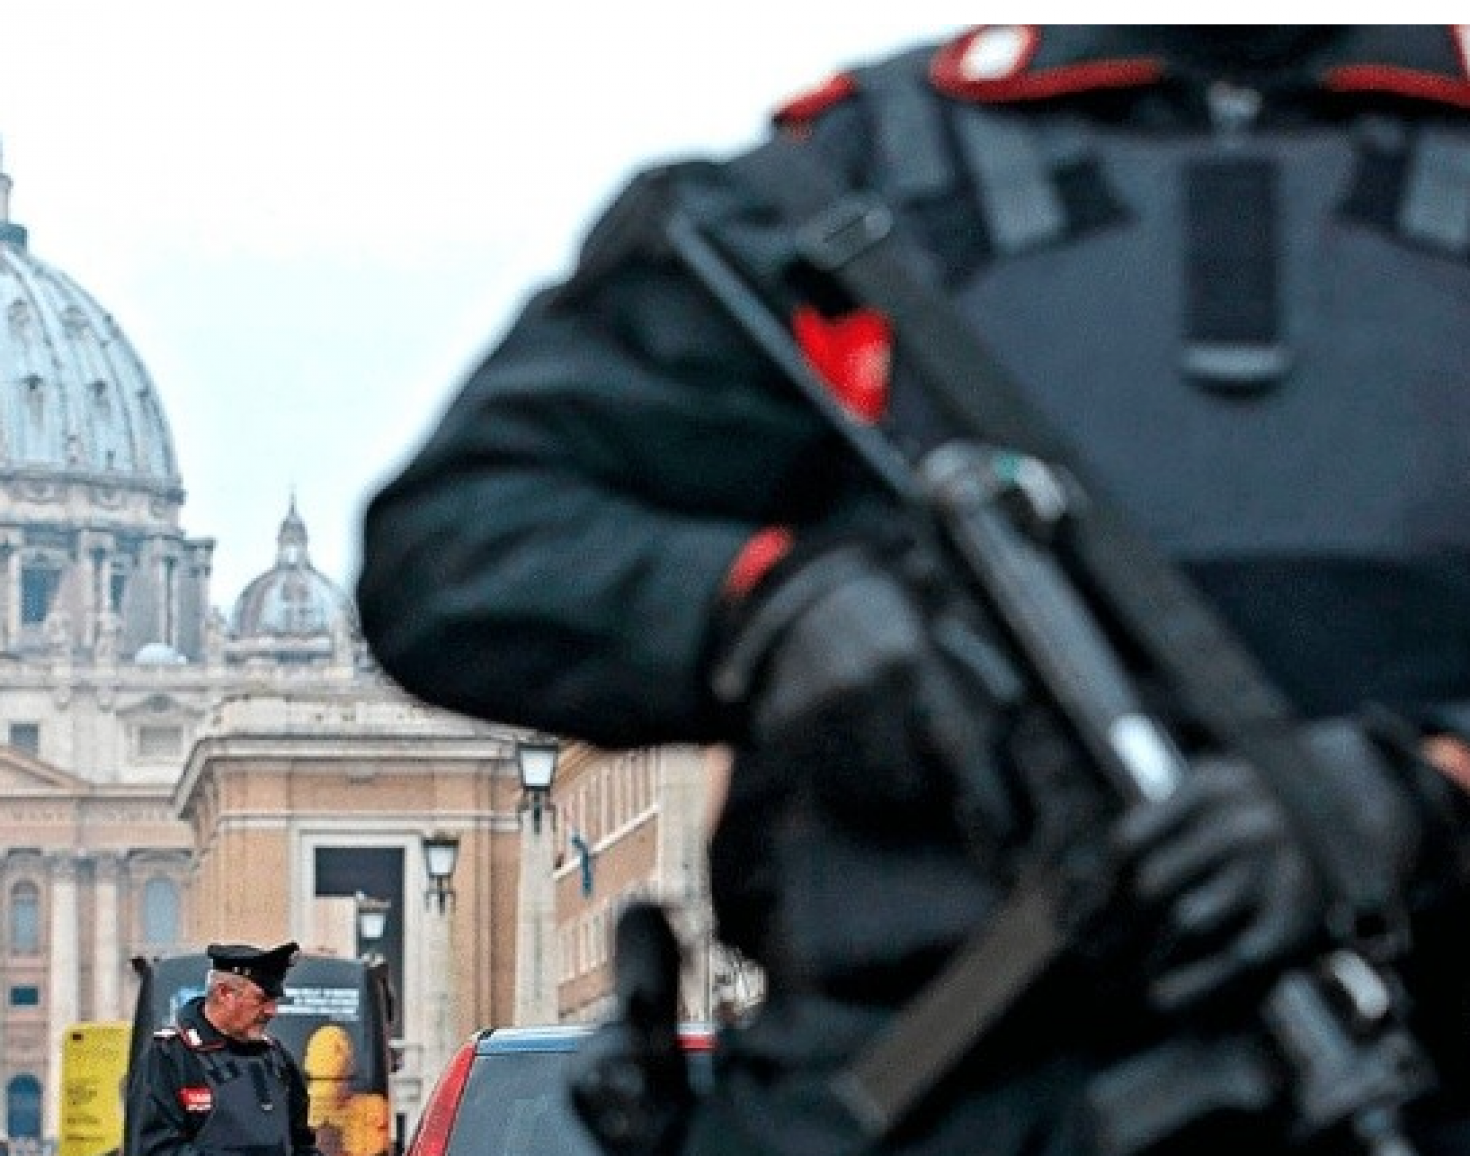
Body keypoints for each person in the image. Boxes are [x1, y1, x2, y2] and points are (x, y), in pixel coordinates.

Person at [359, 25, 1470, 1156]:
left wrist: (1426, 793)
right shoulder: (848, 182)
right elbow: (453, 546)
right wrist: (760, 611)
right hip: (921, 1093)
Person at [124, 941, 323, 1156]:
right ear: (225, 993)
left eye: (274, 1000)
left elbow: (301, 1144)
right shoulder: (169, 1057)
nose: (272, 1011)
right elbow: (153, 1148)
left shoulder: (276, 1059)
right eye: (262, 999)